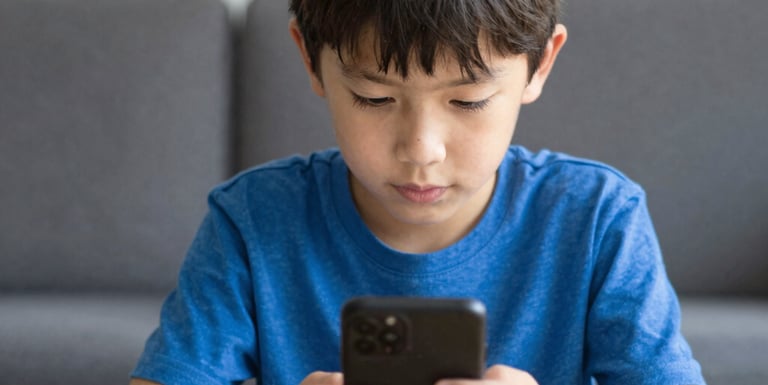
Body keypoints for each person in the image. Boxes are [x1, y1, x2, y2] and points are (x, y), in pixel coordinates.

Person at [130, 1, 706, 384]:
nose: (421, 149)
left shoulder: (598, 218)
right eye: (374, 99)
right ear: (309, 57)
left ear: (540, 64)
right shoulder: (252, 220)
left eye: (469, 101)